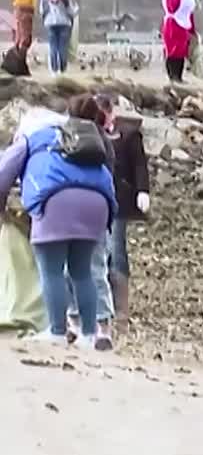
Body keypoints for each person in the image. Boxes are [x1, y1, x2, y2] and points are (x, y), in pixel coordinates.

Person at [0, 104, 116, 346]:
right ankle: (88, 334)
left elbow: (4, 172)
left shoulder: (30, 136)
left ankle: (56, 331)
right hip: (98, 202)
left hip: (56, 200)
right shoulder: (76, 133)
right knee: (82, 271)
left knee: (51, 269)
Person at [63, 94, 118, 350]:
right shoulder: (103, 142)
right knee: (97, 269)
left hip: (69, 208)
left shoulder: (65, 136)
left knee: (67, 267)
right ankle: (103, 328)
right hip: (98, 208)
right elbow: (109, 176)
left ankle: (72, 322)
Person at [100, 104, 151, 330]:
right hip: (96, 198)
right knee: (98, 251)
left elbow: (140, 164)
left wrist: (143, 190)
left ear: (111, 112)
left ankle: (121, 308)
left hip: (119, 198)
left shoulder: (129, 134)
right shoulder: (91, 132)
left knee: (116, 248)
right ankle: (102, 302)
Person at [161, 0, 197, 83]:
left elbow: (189, 14)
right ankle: (172, 76)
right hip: (172, 26)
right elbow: (173, 8)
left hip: (183, 28)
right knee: (172, 52)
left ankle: (179, 77)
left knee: (181, 53)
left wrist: (192, 30)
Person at [7, 0, 40, 71]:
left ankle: (15, 62)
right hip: (25, 7)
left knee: (21, 35)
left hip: (22, 7)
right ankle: (18, 64)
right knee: (25, 37)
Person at [40, 0, 77, 75]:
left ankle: (54, 70)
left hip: (50, 23)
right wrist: (76, 11)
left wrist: (45, 18)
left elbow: (42, 10)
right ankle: (62, 70)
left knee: (53, 47)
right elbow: (70, 11)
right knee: (62, 47)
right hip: (64, 23)